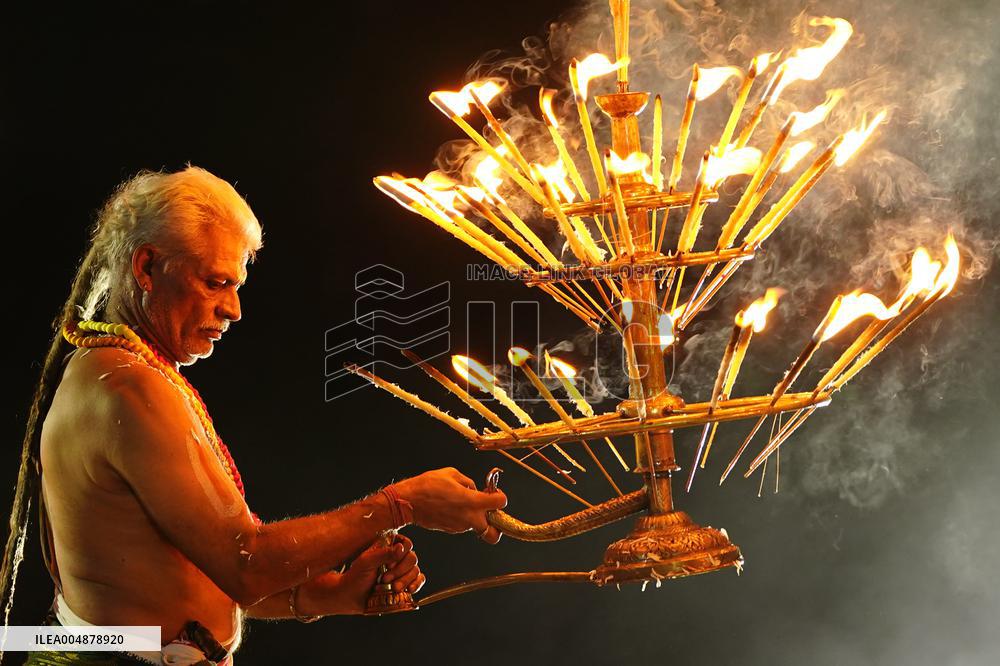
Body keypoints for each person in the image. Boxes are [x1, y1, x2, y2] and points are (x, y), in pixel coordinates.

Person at [2, 166, 507, 665]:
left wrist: (323, 595)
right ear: (147, 267)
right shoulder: (127, 386)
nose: (234, 309)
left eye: (236, 284)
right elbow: (246, 564)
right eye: (216, 282)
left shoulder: (124, 370)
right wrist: (402, 504)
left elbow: (191, 567)